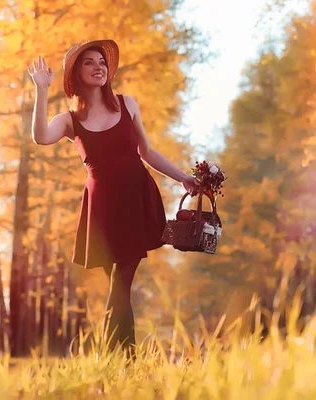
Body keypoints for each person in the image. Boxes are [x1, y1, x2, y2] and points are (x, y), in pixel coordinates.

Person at [27, 39, 199, 359]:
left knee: (121, 282)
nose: (99, 67)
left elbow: (147, 152)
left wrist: (183, 178)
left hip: (136, 198)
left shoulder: (127, 104)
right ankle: (121, 359)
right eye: (89, 62)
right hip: (102, 207)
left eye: (102, 62)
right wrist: (40, 90)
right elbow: (40, 137)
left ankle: (114, 358)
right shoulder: (69, 120)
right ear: (76, 74)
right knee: (118, 286)